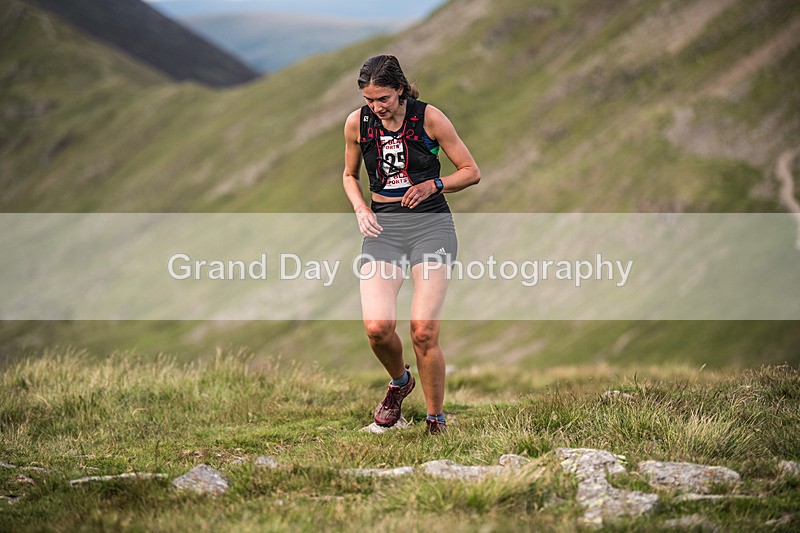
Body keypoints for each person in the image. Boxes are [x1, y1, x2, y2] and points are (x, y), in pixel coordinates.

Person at [342, 55, 480, 434]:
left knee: (423, 330)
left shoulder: (429, 117)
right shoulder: (358, 122)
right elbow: (349, 174)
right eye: (369, 100)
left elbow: (471, 172)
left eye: (383, 98)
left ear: (400, 89)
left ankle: (436, 419)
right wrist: (358, 208)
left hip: (430, 228)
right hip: (382, 229)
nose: (376, 107)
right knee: (377, 328)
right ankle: (400, 382)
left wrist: (433, 184)